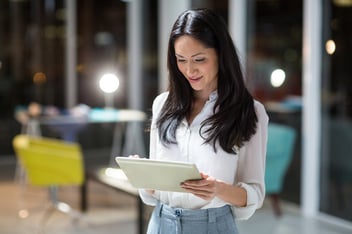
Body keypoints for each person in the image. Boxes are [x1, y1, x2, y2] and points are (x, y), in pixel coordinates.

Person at [138, 8, 268, 234]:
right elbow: (152, 193)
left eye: (199, 59)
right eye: (181, 60)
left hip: (213, 226)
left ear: (221, 54)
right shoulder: (163, 104)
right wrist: (145, 178)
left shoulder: (249, 111)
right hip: (160, 223)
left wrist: (217, 189)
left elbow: (254, 194)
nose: (189, 70)